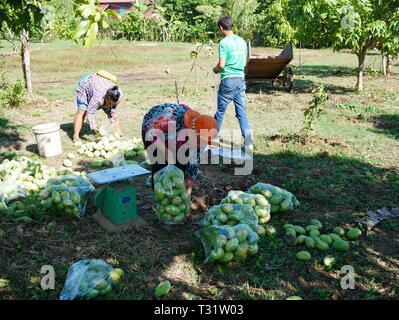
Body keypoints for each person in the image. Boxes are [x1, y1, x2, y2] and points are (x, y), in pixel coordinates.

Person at [142, 102, 218, 197]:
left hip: (176, 137)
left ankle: (175, 198)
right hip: (154, 131)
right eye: (198, 141)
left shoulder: (199, 141)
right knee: (160, 166)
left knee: (180, 167)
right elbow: (149, 129)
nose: (198, 145)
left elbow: (192, 167)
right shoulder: (171, 117)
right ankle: (160, 200)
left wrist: (188, 194)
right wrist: (165, 151)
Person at [212, 16, 253, 151]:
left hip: (228, 80)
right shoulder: (241, 41)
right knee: (241, 111)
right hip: (240, 80)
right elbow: (245, 62)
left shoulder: (224, 43)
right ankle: (248, 143)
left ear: (221, 28)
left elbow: (222, 65)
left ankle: (214, 139)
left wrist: (215, 69)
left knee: (220, 112)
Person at [73, 72, 123, 143]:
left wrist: (119, 134)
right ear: (106, 97)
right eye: (109, 103)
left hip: (100, 84)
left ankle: (120, 134)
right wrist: (94, 127)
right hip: (86, 83)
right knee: (82, 111)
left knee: (110, 111)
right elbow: (90, 113)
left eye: (112, 103)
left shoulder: (118, 95)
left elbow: (113, 112)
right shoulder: (98, 97)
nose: (110, 105)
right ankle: (75, 137)